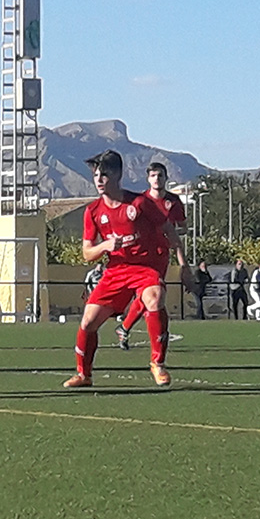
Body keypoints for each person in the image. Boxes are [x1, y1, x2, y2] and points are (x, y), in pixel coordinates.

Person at [63, 150, 193, 389]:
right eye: (96, 175)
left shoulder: (139, 203)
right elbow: (86, 253)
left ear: (118, 174)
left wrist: (182, 264)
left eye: (105, 174)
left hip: (145, 267)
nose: (99, 179)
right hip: (115, 271)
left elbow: (169, 230)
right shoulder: (92, 211)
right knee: (88, 322)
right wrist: (105, 246)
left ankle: (157, 363)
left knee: (154, 299)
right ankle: (84, 374)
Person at [115, 162, 186, 350]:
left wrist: (172, 231)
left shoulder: (174, 202)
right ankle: (141, 332)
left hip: (162, 255)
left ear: (166, 178)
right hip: (143, 254)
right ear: (148, 179)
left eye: (160, 175)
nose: (157, 179)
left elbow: (182, 229)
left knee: (151, 296)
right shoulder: (141, 201)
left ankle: (125, 327)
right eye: (153, 175)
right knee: (150, 294)